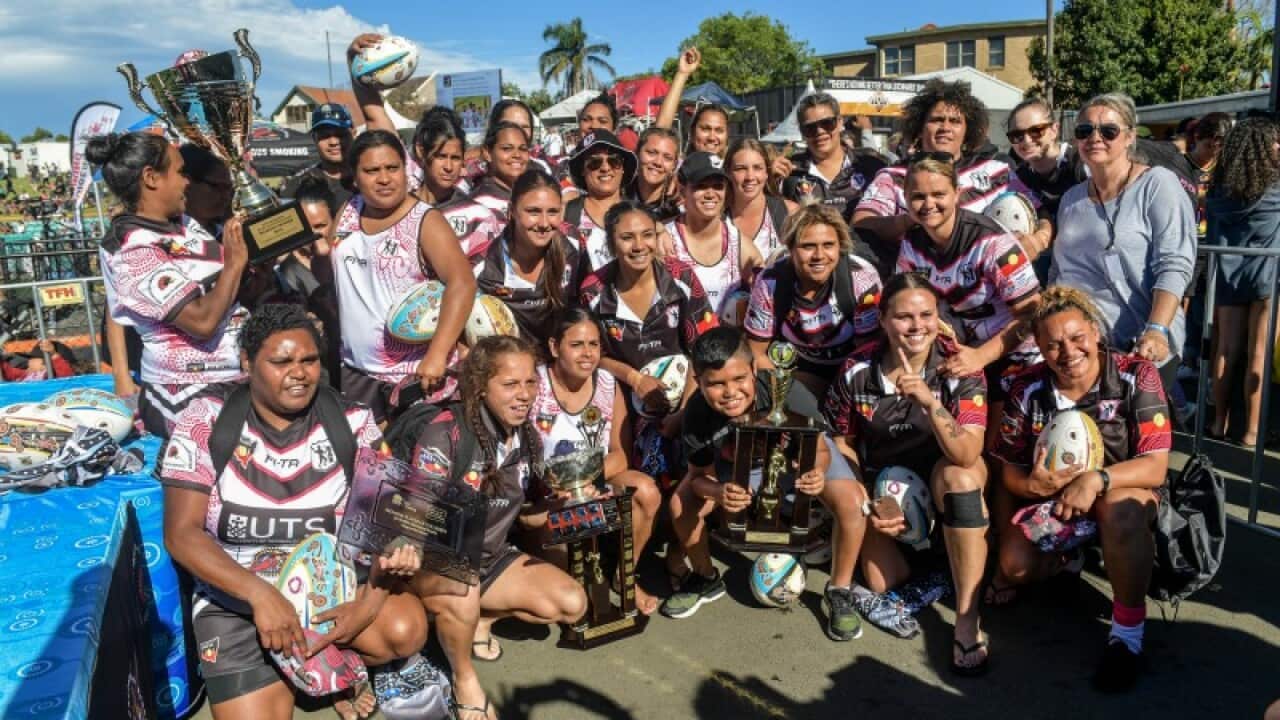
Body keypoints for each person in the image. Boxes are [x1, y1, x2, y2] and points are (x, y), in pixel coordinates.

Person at [160, 304, 428, 720]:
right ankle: (316, 673)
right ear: (248, 363)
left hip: (330, 590)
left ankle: (333, 664)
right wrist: (260, 595)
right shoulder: (206, 419)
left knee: (402, 630)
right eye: (281, 361)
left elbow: (386, 526)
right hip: (236, 598)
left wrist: (364, 610)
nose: (299, 373)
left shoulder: (354, 421)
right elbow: (182, 534)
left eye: (309, 360)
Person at [991, 286, 1171, 693]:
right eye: (1052, 344)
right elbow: (1008, 472)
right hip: (1057, 504)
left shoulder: (1134, 374)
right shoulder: (1026, 387)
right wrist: (1031, 484)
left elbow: (1156, 466)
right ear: (1038, 346)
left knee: (1119, 512)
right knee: (1015, 566)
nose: (1068, 352)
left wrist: (1097, 479)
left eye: (1076, 338)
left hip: (1123, 493)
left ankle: (1126, 636)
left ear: (1094, 331)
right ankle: (1068, 561)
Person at [404, 335, 588, 717]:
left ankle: (477, 620)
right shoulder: (447, 432)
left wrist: (556, 505)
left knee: (572, 604)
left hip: (489, 559)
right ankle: (463, 678)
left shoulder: (525, 435)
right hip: (432, 561)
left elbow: (525, 515)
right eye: (510, 384)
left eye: (530, 382)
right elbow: (415, 512)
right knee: (461, 584)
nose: (524, 395)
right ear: (480, 387)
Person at [825, 273, 991, 671]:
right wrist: (870, 501)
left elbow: (967, 452)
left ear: (938, 317)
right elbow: (841, 442)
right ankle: (947, 564)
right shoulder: (857, 368)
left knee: (961, 478)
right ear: (883, 320)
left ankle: (967, 620)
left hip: (942, 476)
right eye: (904, 317)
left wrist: (930, 403)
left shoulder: (959, 366)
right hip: (888, 486)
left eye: (926, 315)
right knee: (883, 583)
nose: (917, 326)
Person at [662, 327, 866, 640]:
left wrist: (816, 471)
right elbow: (698, 475)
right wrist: (718, 491)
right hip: (737, 468)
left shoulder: (785, 389)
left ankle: (838, 589)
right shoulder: (697, 414)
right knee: (681, 503)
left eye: (739, 379)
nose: (730, 392)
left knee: (852, 500)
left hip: (795, 460)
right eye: (715, 384)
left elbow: (822, 447)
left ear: (755, 369)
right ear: (698, 381)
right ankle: (705, 577)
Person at [90, 132, 250, 437]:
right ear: (151, 178)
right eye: (180, 172)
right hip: (186, 395)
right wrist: (234, 264)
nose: (187, 182)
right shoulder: (131, 249)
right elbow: (201, 321)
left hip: (231, 383)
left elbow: (222, 292)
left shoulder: (185, 225)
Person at [324, 130, 476, 422]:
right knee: (368, 465)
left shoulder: (425, 220)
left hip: (416, 376)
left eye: (392, 168)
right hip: (357, 373)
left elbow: (462, 283)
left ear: (405, 170)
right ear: (355, 176)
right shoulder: (346, 211)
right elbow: (332, 275)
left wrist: (437, 355)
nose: (384, 178)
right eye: (372, 170)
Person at [1051, 93, 1196, 398]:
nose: (1095, 138)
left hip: (1139, 345)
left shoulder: (1158, 184)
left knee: (1132, 440)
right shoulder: (1071, 199)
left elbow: (1175, 263)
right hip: (1080, 347)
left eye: (1108, 131)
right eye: (1085, 130)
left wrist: (1158, 330)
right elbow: (1057, 273)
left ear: (1130, 136)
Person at [579, 201, 719, 488]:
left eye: (647, 234)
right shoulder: (593, 290)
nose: (639, 245)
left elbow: (705, 350)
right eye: (627, 238)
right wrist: (635, 379)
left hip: (686, 396)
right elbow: (589, 355)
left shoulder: (680, 277)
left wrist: (684, 412)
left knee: (689, 480)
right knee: (638, 486)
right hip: (621, 401)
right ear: (610, 243)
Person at [532, 308, 663, 614]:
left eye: (593, 344)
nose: (587, 353)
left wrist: (585, 480)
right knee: (571, 596)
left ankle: (625, 574)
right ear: (554, 347)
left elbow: (620, 454)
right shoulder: (533, 384)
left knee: (645, 491)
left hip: (596, 481)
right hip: (547, 494)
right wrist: (566, 488)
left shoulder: (606, 383)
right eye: (576, 345)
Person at [854, 79, 1051, 276]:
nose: (945, 127)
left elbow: (1040, 213)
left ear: (967, 130)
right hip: (920, 293)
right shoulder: (894, 176)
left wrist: (1038, 239)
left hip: (992, 292)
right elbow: (862, 223)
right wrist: (912, 219)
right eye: (936, 120)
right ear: (920, 127)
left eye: (955, 121)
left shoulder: (998, 172)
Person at [897, 156, 1043, 410]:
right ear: (906, 199)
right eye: (918, 196)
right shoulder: (911, 243)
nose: (928, 204)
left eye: (938, 194)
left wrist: (980, 356)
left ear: (956, 194)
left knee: (991, 442)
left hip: (1014, 355)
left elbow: (1033, 313)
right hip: (956, 354)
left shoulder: (994, 242)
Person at [743, 203, 883, 398]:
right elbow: (757, 353)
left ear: (840, 246)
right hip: (794, 374)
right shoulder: (770, 282)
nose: (819, 256)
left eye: (828, 245)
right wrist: (794, 391)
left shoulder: (861, 277)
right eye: (808, 246)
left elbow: (869, 352)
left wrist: (835, 393)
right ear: (790, 247)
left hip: (850, 374)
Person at [1206, 117, 1280, 448]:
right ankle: (1251, 431)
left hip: (1228, 273)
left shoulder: (1221, 190)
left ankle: (1219, 422)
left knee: (1225, 350)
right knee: (1258, 355)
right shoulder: (1276, 189)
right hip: (1267, 274)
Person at [474, 169, 586, 347]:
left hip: (559, 362)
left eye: (553, 212)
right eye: (533, 211)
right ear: (511, 212)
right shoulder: (482, 265)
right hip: (507, 364)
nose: (543, 223)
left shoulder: (573, 248)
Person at [664, 152, 762, 314]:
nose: (710, 194)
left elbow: (764, 300)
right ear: (683, 192)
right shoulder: (665, 238)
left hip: (726, 338)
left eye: (718, 186)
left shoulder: (740, 246)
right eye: (701, 186)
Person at [773, 92, 886, 222]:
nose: (820, 131)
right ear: (802, 132)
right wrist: (769, 182)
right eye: (810, 127)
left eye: (827, 123)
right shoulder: (790, 172)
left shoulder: (871, 164)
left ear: (839, 122)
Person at [562, 129, 638, 272]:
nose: (605, 167)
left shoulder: (642, 216)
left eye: (613, 161)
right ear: (582, 170)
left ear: (622, 168)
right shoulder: (565, 214)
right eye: (595, 162)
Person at [727, 138, 796, 261]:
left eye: (757, 168)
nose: (750, 176)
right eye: (740, 168)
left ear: (767, 173)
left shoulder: (791, 213)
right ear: (728, 173)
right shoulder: (716, 220)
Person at [655, 47, 730, 157]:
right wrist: (682, 74)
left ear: (727, 134)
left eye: (719, 130)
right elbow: (660, 131)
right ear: (692, 132)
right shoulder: (679, 167)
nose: (712, 137)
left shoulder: (734, 169)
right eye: (705, 129)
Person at [280, 103, 354, 208]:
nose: (333, 142)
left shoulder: (371, 174)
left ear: (353, 133)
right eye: (324, 136)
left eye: (340, 134)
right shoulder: (297, 185)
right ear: (314, 139)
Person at [468, 121, 531, 226]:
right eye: (507, 148)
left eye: (523, 149)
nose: (517, 155)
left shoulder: (531, 195)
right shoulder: (478, 205)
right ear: (487, 153)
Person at [557, 94, 618, 200]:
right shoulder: (560, 165)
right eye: (586, 119)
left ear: (614, 130)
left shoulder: (624, 163)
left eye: (602, 121)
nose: (593, 125)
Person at [1186, 112, 1233, 238]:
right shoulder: (1178, 164)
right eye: (1208, 146)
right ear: (1197, 137)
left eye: (1220, 147)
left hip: (1211, 237)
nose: (1214, 151)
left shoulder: (1225, 169)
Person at [625, 127, 682, 223]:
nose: (658, 162)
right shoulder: (618, 195)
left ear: (674, 165)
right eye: (651, 153)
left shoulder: (678, 207)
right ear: (637, 153)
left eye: (667, 158)